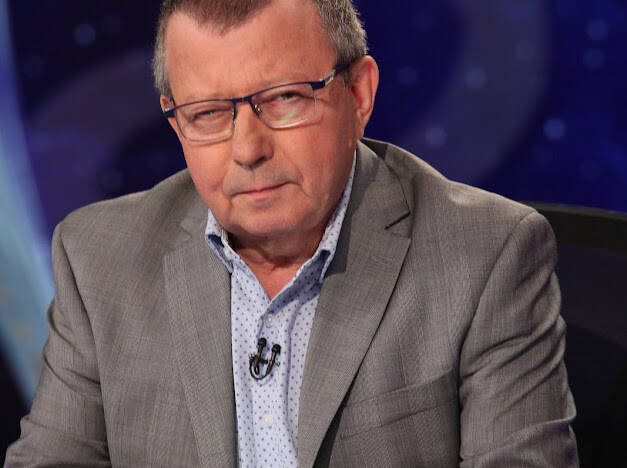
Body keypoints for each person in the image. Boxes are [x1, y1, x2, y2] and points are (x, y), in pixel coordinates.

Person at [5, 0, 579, 466]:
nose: (247, 149)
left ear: (359, 94)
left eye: (284, 99)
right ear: (176, 121)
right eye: (208, 113)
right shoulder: (98, 260)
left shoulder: (486, 257)